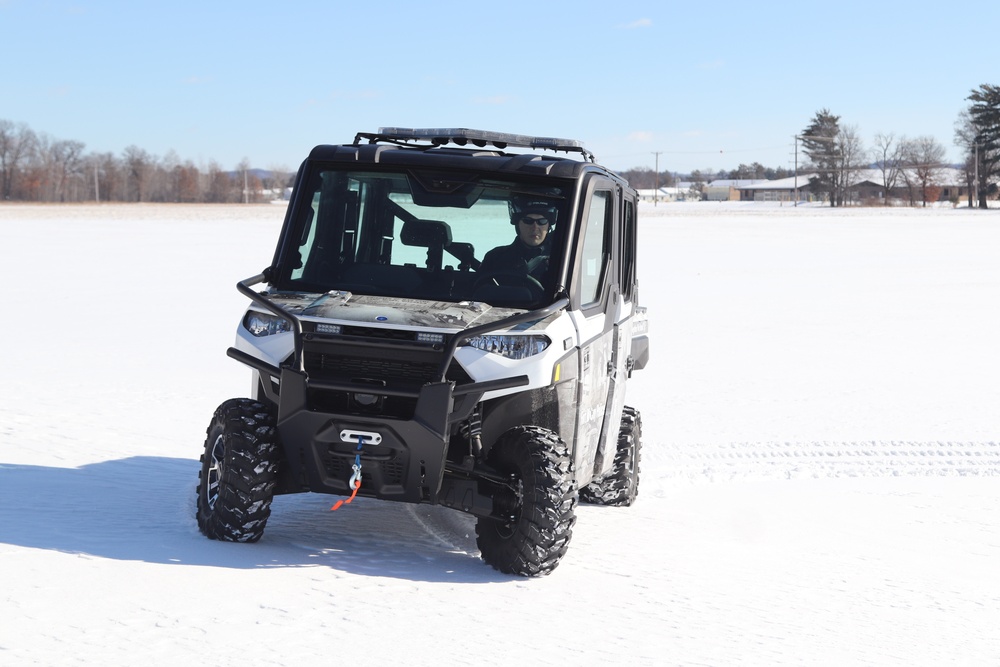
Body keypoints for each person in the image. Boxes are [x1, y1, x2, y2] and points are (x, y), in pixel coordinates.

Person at [478, 201, 557, 280]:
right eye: (528, 221)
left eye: (542, 221)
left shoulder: (561, 259)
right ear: (518, 225)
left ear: (548, 226)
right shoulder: (495, 257)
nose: (535, 227)